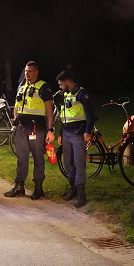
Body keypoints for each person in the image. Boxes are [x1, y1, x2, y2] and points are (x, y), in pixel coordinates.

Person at [4, 61, 55, 200]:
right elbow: (17, 104)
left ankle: (38, 187)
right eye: (26, 71)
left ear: (36, 72)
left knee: (38, 157)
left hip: (36, 128)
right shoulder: (22, 86)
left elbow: (49, 110)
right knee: (22, 157)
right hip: (21, 127)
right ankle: (19, 186)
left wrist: (50, 129)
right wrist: (15, 118)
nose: (27, 74)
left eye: (30, 71)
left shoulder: (43, 87)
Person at [54, 69, 95, 208]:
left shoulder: (82, 94)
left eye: (61, 84)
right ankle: (73, 188)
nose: (60, 87)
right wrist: (60, 133)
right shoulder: (65, 95)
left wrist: (88, 131)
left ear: (67, 82)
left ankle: (80, 193)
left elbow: (90, 114)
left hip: (78, 133)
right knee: (68, 163)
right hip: (66, 133)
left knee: (79, 163)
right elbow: (63, 116)